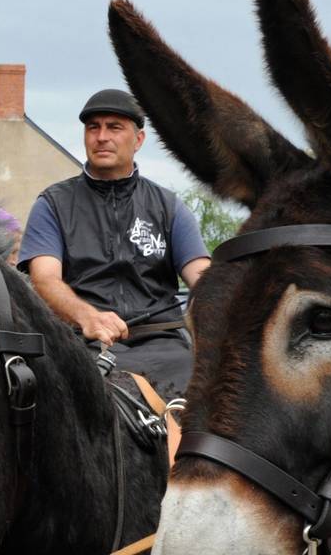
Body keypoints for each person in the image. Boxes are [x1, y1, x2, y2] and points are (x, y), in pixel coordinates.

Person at [19, 89, 211, 397]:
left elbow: (204, 279)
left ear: (138, 140)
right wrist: (87, 317)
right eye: (93, 127)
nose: (101, 136)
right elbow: (45, 279)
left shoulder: (169, 207)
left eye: (114, 127)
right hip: (84, 345)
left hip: (165, 346)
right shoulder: (53, 204)